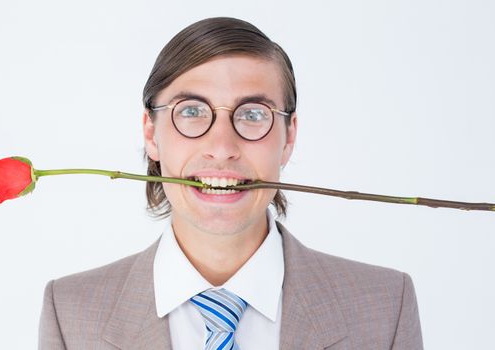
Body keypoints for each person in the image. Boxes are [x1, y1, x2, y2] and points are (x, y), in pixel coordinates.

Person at [38, 17, 423, 350]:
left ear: (288, 138)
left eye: (253, 114)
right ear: (151, 133)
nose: (222, 148)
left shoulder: (385, 308)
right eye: (191, 111)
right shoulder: (70, 314)